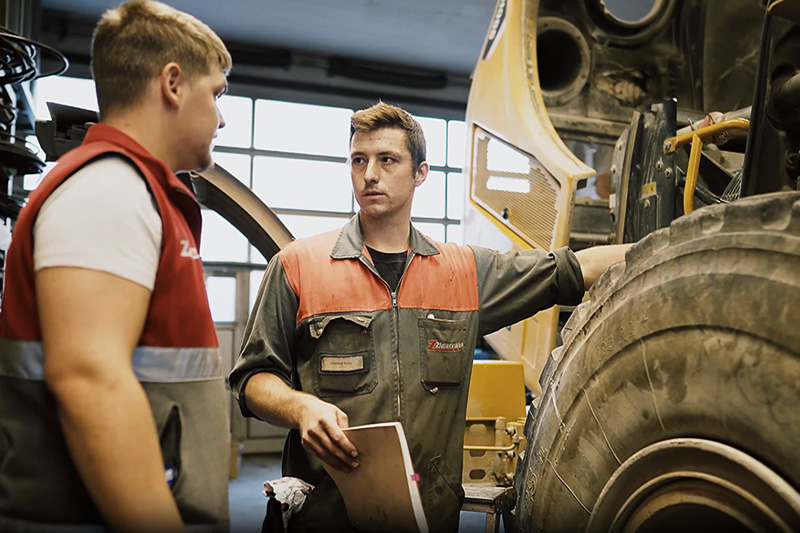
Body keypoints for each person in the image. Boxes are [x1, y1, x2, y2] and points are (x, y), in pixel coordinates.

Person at [229, 102, 631, 532]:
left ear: (420, 173)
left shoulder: (465, 273)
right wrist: (299, 407)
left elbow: (571, 269)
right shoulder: (297, 266)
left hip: (428, 518)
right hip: (324, 518)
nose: (369, 174)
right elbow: (251, 379)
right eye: (359, 160)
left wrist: (672, 243)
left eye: (387, 160)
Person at [0, 1, 231, 531]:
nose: (222, 117)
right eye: (217, 94)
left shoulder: (135, 190)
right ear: (173, 84)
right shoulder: (110, 189)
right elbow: (89, 377)